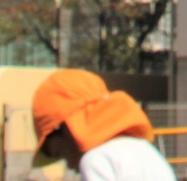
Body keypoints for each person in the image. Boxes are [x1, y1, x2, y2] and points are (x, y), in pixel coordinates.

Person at [29, 70, 174, 181]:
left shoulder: (95, 159)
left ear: (69, 130)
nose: (68, 166)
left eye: (62, 153)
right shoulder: (143, 149)